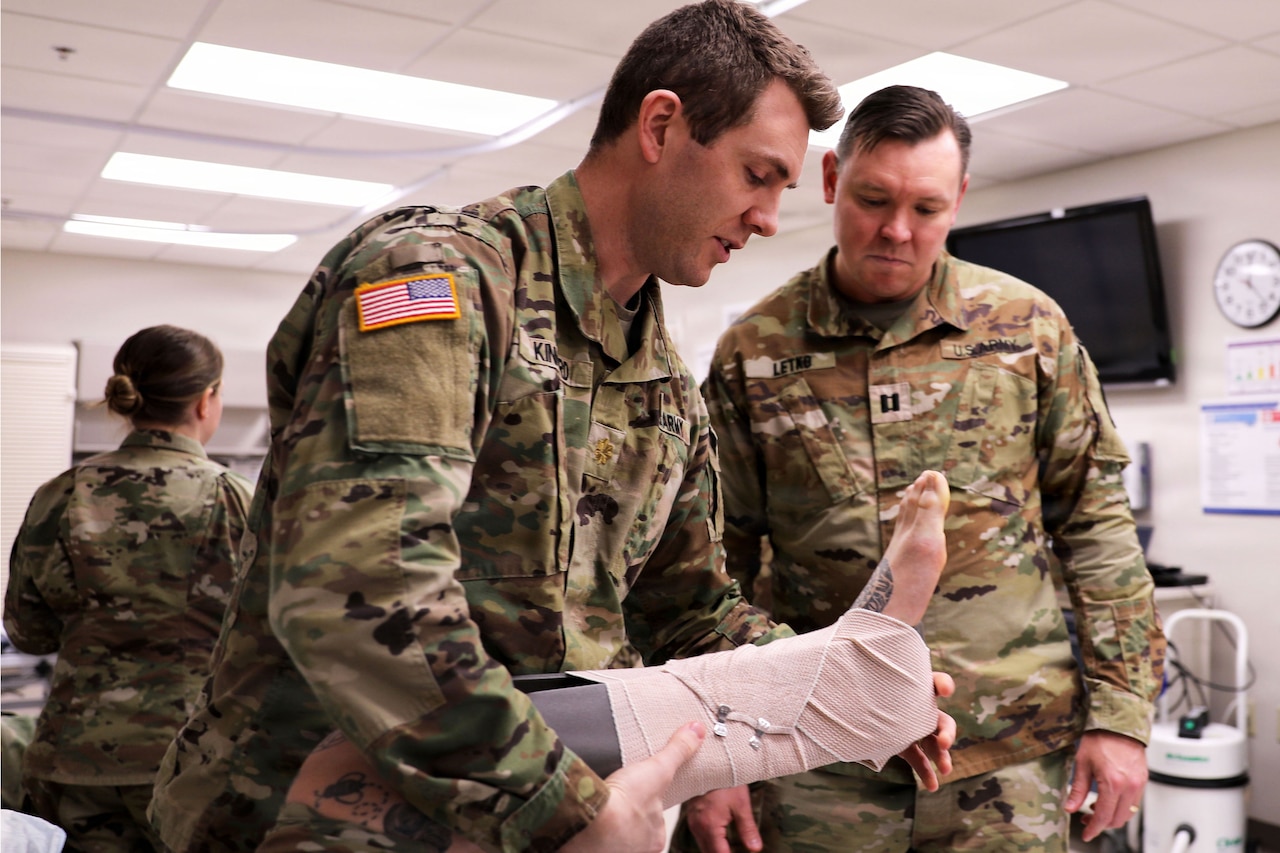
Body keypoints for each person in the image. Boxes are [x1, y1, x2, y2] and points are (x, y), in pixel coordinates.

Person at [146, 5, 956, 852]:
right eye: (758, 174)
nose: (765, 217)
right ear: (662, 125)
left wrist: (858, 693)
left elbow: (691, 616)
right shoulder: (443, 281)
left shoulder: (664, 383)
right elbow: (361, 588)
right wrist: (564, 803)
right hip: (319, 816)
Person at [675, 84, 1167, 853]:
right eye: (872, 199)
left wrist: (1122, 717)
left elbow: (1099, 529)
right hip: (819, 755)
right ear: (832, 178)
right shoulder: (757, 349)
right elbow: (711, 563)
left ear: (960, 197)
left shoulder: (1028, 329)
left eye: (928, 209)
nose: (897, 231)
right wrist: (715, 753)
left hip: (1008, 753)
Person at [3, 325, 252, 853]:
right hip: (187, 764)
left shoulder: (61, 494)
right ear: (207, 400)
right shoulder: (235, 500)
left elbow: (28, 632)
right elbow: (270, 639)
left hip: (71, 762)